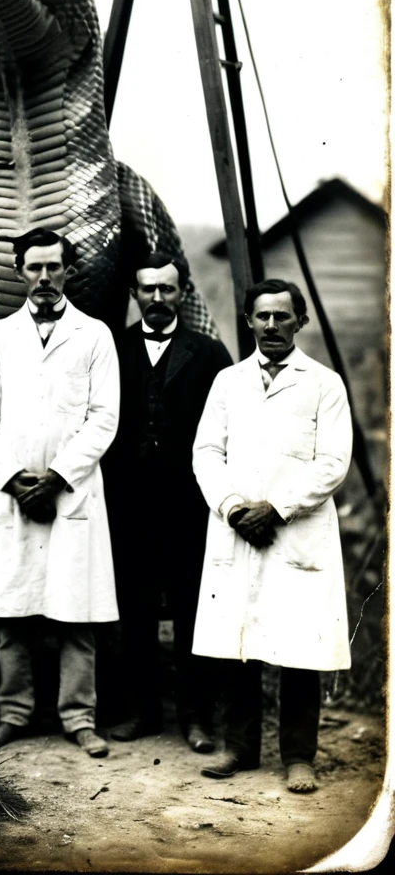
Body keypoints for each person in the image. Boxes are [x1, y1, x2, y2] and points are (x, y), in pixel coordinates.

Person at [192, 279, 352, 793]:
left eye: (283, 317)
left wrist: (277, 509)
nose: (272, 326)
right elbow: (205, 453)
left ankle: (299, 757)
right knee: (239, 643)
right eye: (262, 316)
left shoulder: (324, 383)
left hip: (296, 533)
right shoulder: (228, 382)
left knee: (299, 648)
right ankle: (239, 748)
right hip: (239, 529)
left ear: (300, 322)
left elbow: (332, 462)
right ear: (249, 321)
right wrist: (235, 506)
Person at [0, 227, 120, 758]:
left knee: (75, 615)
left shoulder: (95, 335)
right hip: (13, 495)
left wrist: (56, 478)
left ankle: (79, 718)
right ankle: (13, 713)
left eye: (54, 267)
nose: (44, 277)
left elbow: (104, 419)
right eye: (34, 267)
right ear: (19, 271)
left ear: (68, 270)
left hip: (71, 495)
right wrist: (13, 479)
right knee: (12, 614)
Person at [107, 252, 233, 752]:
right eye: (148, 289)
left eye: (167, 289)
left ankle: (196, 717)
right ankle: (142, 711)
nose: (157, 298)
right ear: (135, 294)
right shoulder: (112, 348)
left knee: (189, 611)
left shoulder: (208, 354)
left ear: (182, 293)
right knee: (133, 612)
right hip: (128, 505)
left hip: (188, 507)